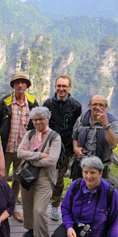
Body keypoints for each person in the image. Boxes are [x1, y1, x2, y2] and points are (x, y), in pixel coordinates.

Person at [47, 156, 118, 237]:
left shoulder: (111, 193)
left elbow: (115, 222)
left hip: (97, 233)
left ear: (100, 173)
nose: (88, 176)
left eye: (93, 172)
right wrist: (69, 227)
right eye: (86, 172)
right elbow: (65, 208)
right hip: (75, 224)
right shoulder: (76, 185)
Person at [0, 71, 39, 222]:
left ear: (26, 85)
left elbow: (37, 126)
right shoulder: (3, 102)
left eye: (23, 82)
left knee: (18, 179)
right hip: (4, 148)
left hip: (23, 150)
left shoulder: (32, 103)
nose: (20, 85)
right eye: (17, 82)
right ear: (13, 85)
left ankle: (13, 207)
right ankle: (1, 206)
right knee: (1, 177)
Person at [17, 106, 61, 237]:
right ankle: (30, 228)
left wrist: (31, 157)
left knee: (40, 211)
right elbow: (19, 153)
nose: (37, 122)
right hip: (27, 175)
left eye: (40, 119)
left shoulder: (55, 137)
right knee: (27, 206)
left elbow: (52, 160)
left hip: (44, 177)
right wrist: (40, 155)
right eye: (35, 120)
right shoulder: (29, 134)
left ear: (47, 119)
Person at [43, 75, 82, 221]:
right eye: (59, 86)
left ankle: (55, 205)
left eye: (64, 86)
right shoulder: (48, 103)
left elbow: (76, 128)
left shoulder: (75, 106)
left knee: (59, 179)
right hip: (48, 147)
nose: (61, 89)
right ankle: (41, 205)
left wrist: (74, 147)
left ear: (69, 87)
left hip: (65, 149)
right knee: (44, 177)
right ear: (55, 86)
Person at [72, 94, 118, 179]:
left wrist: (105, 124)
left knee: (99, 191)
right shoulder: (82, 120)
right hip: (81, 165)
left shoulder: (113, 122)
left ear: (106, 106)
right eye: (95, 104)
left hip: (101, 166)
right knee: (78, 190)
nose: (97, 107)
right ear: (89, 106)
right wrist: (76, 148)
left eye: (101, 105)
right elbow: (75, 137)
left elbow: (113, 144)